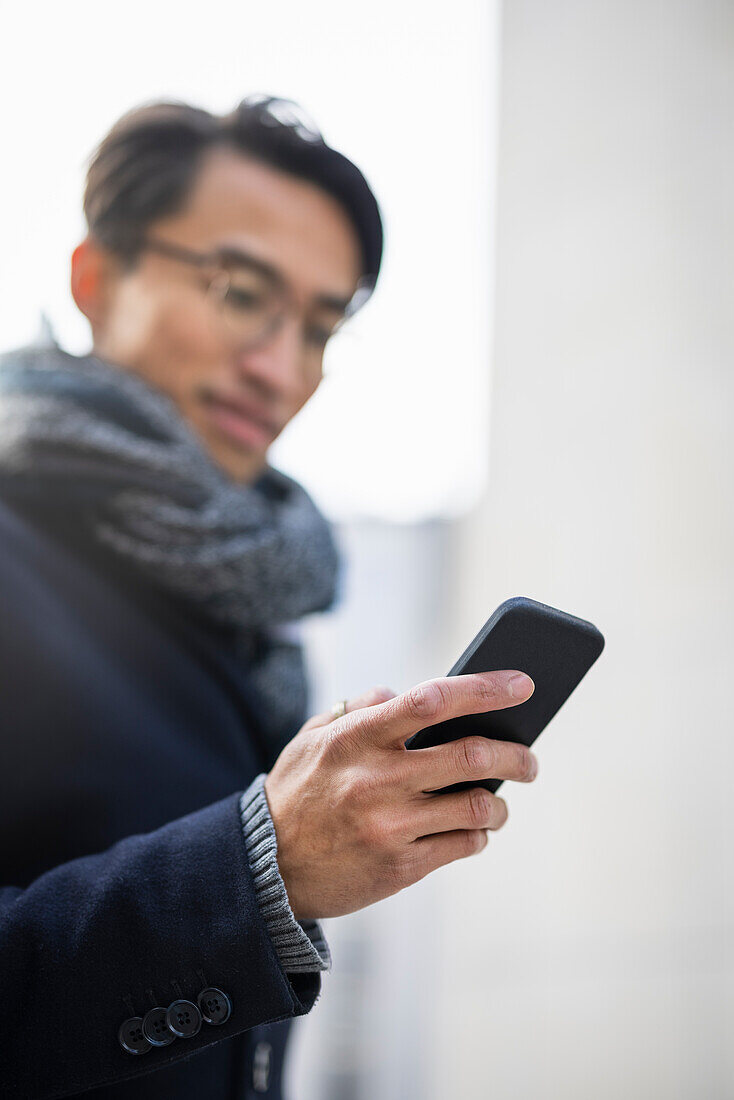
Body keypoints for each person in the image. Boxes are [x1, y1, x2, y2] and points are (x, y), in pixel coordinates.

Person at [0, 95, 538, 1099]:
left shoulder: (246, 606)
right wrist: (253, 871)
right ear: (95, 277)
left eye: (321, 327)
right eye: (241, 294)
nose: (281, 368)